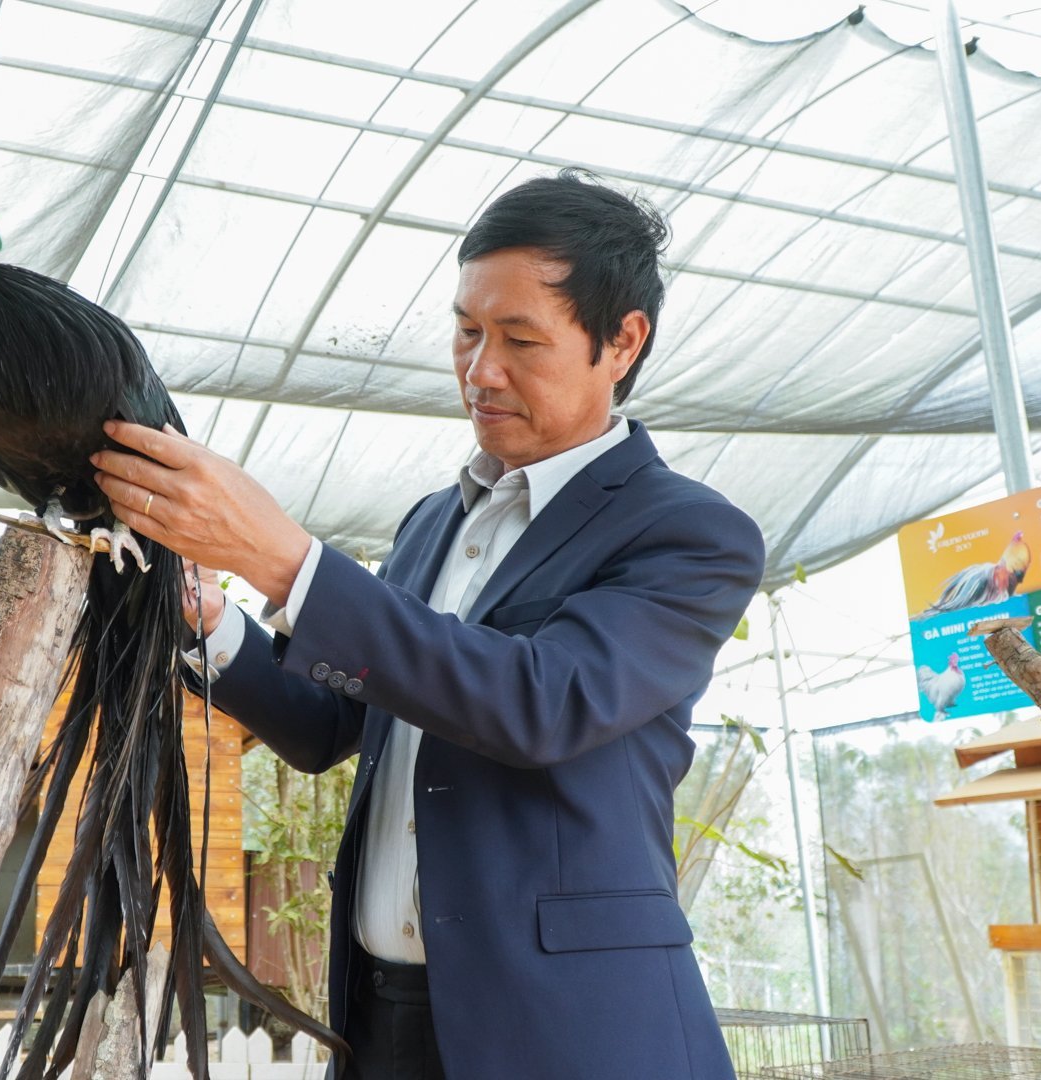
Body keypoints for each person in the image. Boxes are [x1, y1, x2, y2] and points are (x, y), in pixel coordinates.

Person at [90, 170, 763, 1079]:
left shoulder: (687, 534)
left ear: (622, 342)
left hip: (570, 1031)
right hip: (383, 1018)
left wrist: (287, 562)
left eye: (521, 338)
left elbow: (541, 703)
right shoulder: (429, 525)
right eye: (467, 331)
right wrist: (203, 618)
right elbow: (333, 724)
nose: (481, 370)